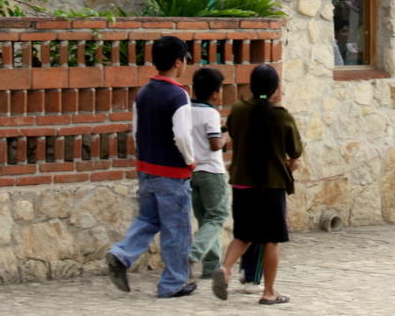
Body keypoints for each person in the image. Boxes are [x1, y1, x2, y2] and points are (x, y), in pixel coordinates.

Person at [106, 35, 197, 298]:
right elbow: (181, 135)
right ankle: (173, 283)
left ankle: (122, 254)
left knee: (148, 218)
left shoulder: (143, 93)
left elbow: (135, 131)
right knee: (177, 228)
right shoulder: (178, 95)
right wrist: (190, 160)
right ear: (179, 62)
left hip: (147, 168)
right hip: (172, 172)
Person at [212, 64, 303, 305]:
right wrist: (292, 164)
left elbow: (231, 132)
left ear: (251, 85)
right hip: (271, 186)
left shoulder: (239, 109)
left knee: (243, 234)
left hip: (242, 183)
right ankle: (269, 292)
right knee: (270, 239)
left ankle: (226, 269)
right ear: (276, 89)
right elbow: (295, 150)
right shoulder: (281, 114)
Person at [188, 67, 228, 278]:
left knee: (206, 219)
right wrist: (225, 137)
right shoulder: (211, 112)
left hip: (193, 172)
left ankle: (211, 267)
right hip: (212, 171)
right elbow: (214, 144)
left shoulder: (186, 109)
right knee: (218, 215)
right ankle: (194, 253)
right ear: (214, 93)